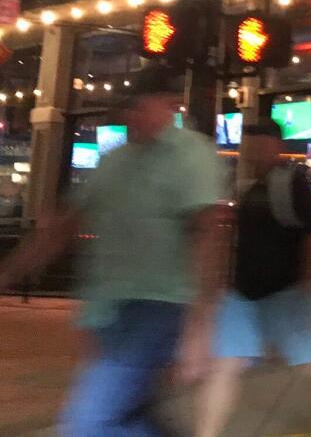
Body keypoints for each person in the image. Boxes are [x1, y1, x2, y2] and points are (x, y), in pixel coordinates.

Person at [0, 67, 226, 435]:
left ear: (171, 106)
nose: (131, 116)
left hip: (158, 307)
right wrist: (11, 271)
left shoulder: (192, 155)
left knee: (88, 423)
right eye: (128, 108)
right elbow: (65, 224)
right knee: (131, 417)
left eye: (141, 106)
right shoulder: (114, 162)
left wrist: (200, 327)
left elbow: (207, 236)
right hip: (109, 309)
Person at [197, 123, 311, 437]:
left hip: (284, 292)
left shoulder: (291, 182)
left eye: (256, 145)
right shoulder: (246, 185)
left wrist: (305, 289)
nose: (249, 152)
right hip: (242, 295)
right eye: (246, 146)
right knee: (226, 366)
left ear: (274, 146)